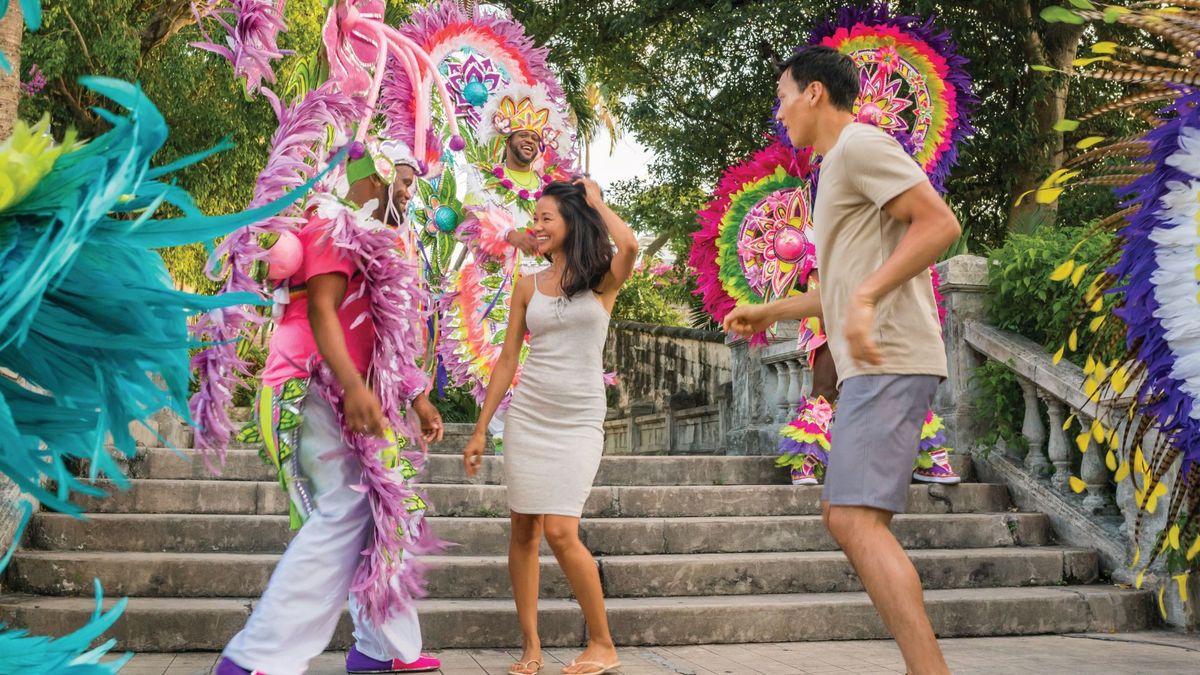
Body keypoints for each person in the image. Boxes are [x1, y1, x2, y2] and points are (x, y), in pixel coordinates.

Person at [724, 46, 960, 675]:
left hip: (891, 356)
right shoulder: (833, 169)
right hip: (874, 363)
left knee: (853, 519)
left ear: (815, 94)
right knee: (849, 516)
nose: (781, 112)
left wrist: (866, 295)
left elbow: (940, 225)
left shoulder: (860, 145)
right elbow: (838, 283)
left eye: (783, 96)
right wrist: (771, 311)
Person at [218, 137, 446, 675]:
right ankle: (257, 660)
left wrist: (416, 395)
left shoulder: (372, 238)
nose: (410, 194)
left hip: (351, 396)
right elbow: (322, 311)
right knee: (343, 513)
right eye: (404, 182)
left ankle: (379, 649)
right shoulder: (331, 224)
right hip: (309, 390)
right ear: (370, 179)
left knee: (386, 518)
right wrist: (354, 386)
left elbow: (379, 329)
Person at [462, 178, 638, 675]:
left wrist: (598, 202)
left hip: (579, 419)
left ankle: (602, 643)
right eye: (533, 218)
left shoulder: (603, 280)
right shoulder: (526, 287)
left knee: (561, 530)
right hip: (530, 415)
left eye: (546, 218)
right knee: (523, 530)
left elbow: (629, 244)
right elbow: (506, 361)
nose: (536, 226)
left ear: (570, 224)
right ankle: (531, 646)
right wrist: (480, 430)